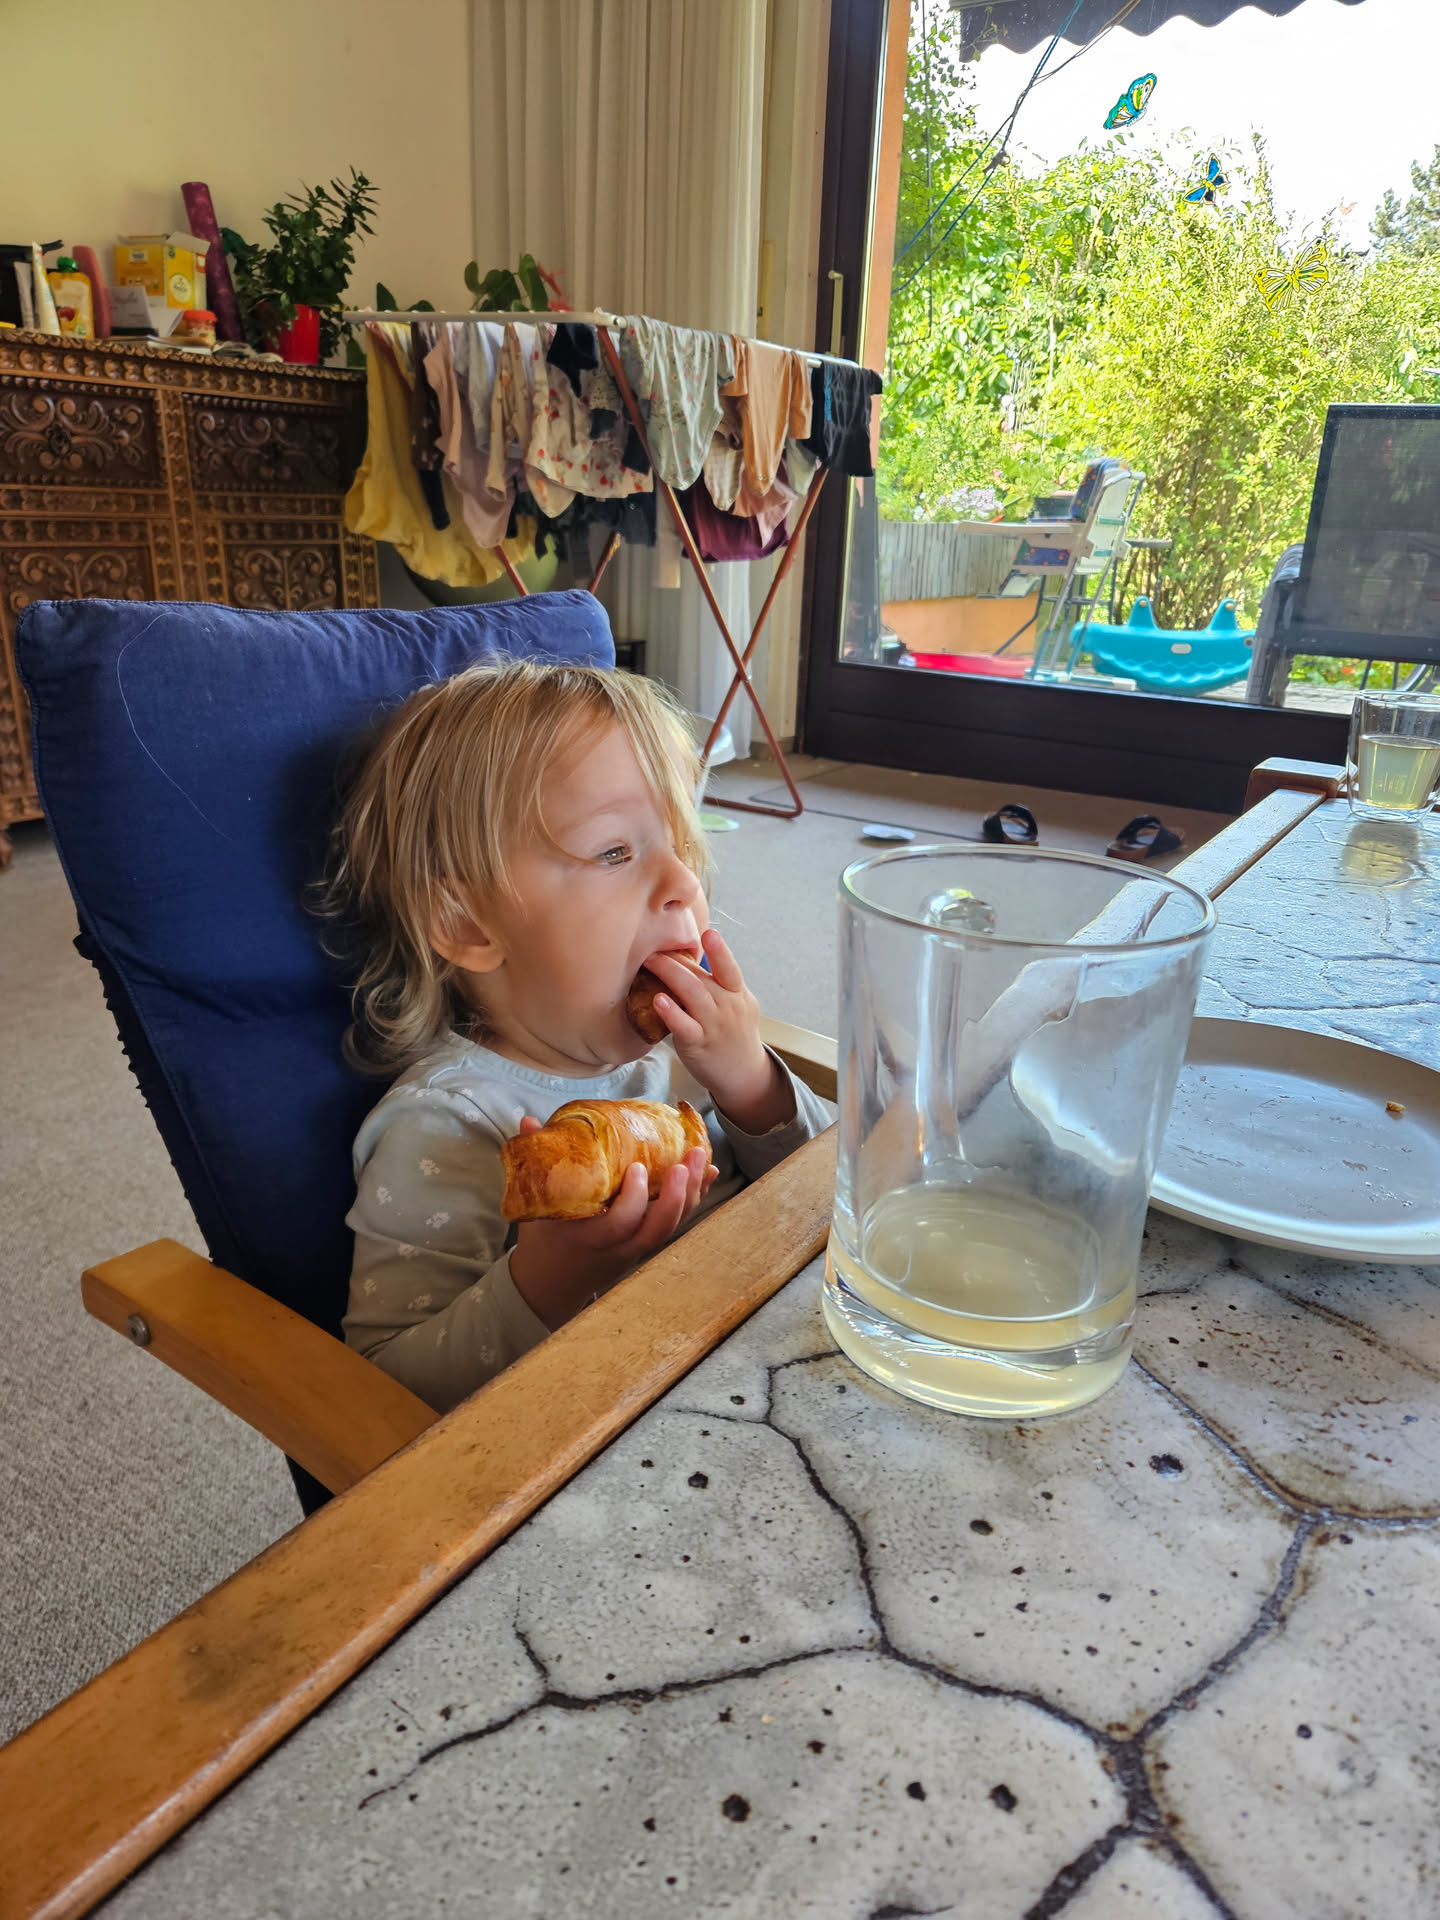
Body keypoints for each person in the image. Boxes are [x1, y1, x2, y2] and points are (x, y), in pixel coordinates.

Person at [317, 659, 832, 1413]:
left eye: (681, 845)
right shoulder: (449, 1126)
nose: (685, 886)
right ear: (467, 924)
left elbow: (826, 1202)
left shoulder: (691, 1053)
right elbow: (386, 1392)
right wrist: (550, 1278)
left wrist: (752, 1082)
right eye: (614, 852)